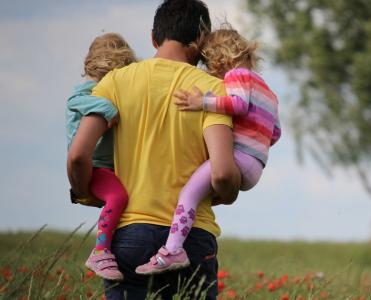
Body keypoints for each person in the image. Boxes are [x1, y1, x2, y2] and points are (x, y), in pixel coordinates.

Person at [67, 0, 241, 298]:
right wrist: (229, 193)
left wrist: (86, 192)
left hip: (128, 235)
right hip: (192, 237)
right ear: (201, 41)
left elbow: (78, 154)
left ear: (153, 38)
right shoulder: (212, 90)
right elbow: (223, 172)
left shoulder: (114, 82)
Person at [136, 25, 281, 275]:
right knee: (201, 193)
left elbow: (237, 104)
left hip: (238, 158)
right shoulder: (269, 91)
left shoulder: (237, 76)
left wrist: (200, 103)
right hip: (256, 165)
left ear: (221, 58)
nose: (210, 71)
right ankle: (181, 237)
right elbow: (275, 133)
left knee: (188, 194)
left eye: (209, 64)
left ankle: (172, 250)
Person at [66, 33, 135, 281]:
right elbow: (76, 101)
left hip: (108, 166)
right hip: (94, 166)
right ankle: (100, 250)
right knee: (118, 196)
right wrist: (108, 109)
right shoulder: (87, 92)